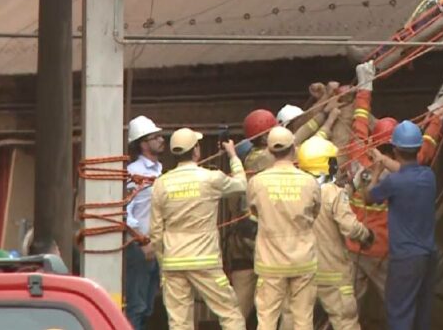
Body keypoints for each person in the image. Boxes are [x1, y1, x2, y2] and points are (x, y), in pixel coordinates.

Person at [344, 61, 443, 320]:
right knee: (399, 307)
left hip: (355, 248)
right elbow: (426, 148)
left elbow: (359, 123)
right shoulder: (411, 173)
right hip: (385, 252)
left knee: (346, 312)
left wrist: (365, 88)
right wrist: (437, 118)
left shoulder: (358, 158)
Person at [149, 128, 247, 330]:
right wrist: (233, 156)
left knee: (179, 323)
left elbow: (156, 232)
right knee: (229, 314)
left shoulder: (161, 184)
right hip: (205, 260)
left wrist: (163, 265)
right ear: (196, 151)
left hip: (173, 262)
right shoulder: (211, 178)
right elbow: (241, 185)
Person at [363, 121, 438, 330]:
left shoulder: (392, 183)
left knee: (399, 314)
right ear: (417, 148)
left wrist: (377, 170)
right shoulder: (428, 176)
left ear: (395, 149)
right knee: (421, 315)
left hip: (405, 259)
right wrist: (385, 160)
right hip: (429, 256)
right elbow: (406, 171)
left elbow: (369, 197)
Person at [248, 126, 321, 330]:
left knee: (267, 319)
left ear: (270, 152)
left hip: (270, 262)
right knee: (303, 319)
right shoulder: (309, 182)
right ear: (294, 149)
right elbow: (315, 213)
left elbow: (254, 212)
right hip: (303, 260)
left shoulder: (257, 182)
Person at [298, 135, 374, 330]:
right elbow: (350, 227)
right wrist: (366, 235)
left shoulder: (296, 192)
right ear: (328, 164)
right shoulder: (333, 193)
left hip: (301, 270)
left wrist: (352, 186)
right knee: (345, 323)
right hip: (332, 272)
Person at [124, 115, 165, 330]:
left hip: (157, 245)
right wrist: (142, 240)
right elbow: (126, 211)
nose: (161, 140)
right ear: (142, 143)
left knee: (149, 306)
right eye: (155, 137)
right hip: (140, 247)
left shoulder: (159, 170)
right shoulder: (134, 173)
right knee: (137, 306)